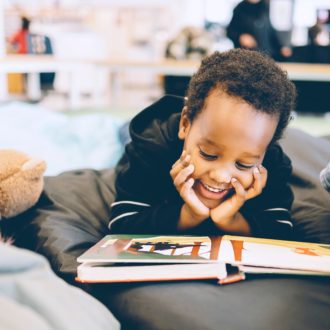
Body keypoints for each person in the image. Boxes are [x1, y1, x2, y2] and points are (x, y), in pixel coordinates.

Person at [109, 48, 296, 239]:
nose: (221, 176)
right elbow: (121, 224)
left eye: (244, 164)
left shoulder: (273, 163)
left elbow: (281, 230)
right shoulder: (151, 147)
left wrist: (230, 220)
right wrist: (188, 216)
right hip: (159, 132)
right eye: (208, 154)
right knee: (125, 134)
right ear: (185, 124)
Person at [226, 0, 291, 61]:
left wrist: (281, 47)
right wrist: (240, 37)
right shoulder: (239, 9)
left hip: (267, 56)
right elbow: (230, 31)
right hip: (247, 57)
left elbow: (270, 31)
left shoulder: (264, 7)